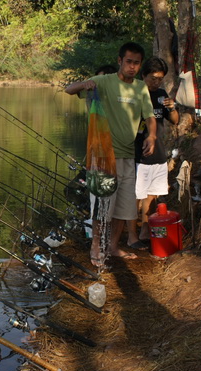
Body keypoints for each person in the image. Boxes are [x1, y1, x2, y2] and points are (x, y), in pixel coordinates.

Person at [65, 42, 156, 265]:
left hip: (128, 155)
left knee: (124, 209)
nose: (132, 67)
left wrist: (152, 136)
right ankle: (96, 246)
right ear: (119, 61)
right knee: (102, 206)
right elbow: (69, 89)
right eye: (129, 62)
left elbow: (150, 116)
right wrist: (84, 84)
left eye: (136, 63)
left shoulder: (140, 87)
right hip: (104, 156)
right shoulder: (103, 82)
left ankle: (113, 247)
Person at [127, 57, 179, 245]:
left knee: (152, 194)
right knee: (136, 195)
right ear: (143, 76)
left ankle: (145, 230)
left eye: (160, 79)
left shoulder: (162, 94)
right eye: (153, 78)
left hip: (158, 152)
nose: (156, 82)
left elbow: (174, 120)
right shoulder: (134, 94)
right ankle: (131, 234)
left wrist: (172, 107)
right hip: (138, 152)